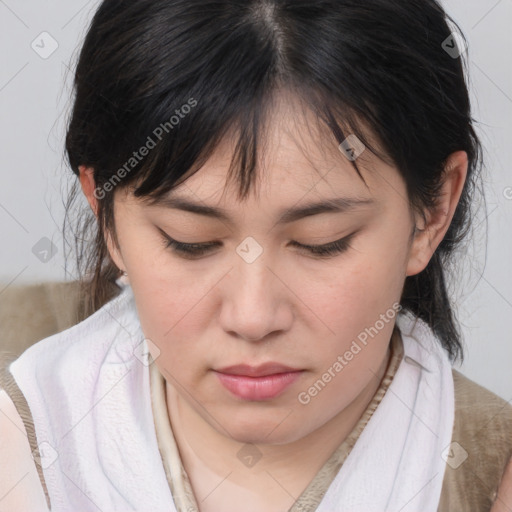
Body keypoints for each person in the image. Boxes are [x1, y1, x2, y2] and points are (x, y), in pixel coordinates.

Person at [1, 0, 511, 510]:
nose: (253, 318)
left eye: (321, 241)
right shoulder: (25, 439)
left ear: (433, 210)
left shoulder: (487, 474)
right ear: (104, 210)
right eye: (190, 240)